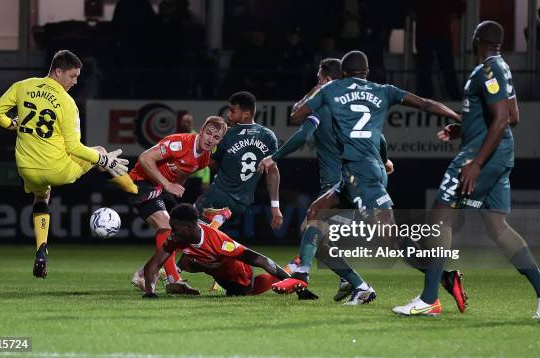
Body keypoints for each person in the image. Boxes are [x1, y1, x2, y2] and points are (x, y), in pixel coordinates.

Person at [393, 21, 540, 318]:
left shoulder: (488, 70)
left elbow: (502, 120)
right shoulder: (502, 67)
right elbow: (513, 116)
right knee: (496, 225)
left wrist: (476, 163)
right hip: (496, 153)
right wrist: (464, 128)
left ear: (477, 39)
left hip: (482, 156)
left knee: (439, 220)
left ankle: (430, 298)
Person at [284, 50, 467, 310]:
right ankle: (303, 273)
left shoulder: (332, 89)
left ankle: (442, 276)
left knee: (388, 235)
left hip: (361, 173)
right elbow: (425, 103)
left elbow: (296, 115)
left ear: (343, 73)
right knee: (316, 210)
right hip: (359, 172)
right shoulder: (384, 89)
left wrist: (318, 87)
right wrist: (458, 117)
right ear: (367, 72)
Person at [258, 58, 394, 304]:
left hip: (338, 184)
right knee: (318, 238)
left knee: (314, 233)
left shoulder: (324, 105)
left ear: (327, 79)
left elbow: (302, 132)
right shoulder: (348, 106)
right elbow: (379, 137)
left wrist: (275, 156)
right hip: (353, 181)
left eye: (319, 78)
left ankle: (308, 275)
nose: (316, 83)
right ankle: (352, 283)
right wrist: (385, 160)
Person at [0, 50, 133, 279]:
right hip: (57, 171)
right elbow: (75, 148)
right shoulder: (67, 103)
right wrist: (103, 160)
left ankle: (41, 249)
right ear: (58, 71)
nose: (75, 82)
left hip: (27, 170)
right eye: (72, 76)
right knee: (99, 151)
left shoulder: (22, 86)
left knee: (41, 197)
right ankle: (135, 190)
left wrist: (12, 125)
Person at [128, 116, 227, 294]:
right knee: (166, 226)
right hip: (141, 182)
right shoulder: (180, 143)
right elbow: (144, 158)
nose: (210, 139)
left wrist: (174, 188)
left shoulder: (204, 157)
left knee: (183, 232)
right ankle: (174, 280)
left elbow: (184, 173)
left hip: (162, 187)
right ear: (202, 130)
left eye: (216, 137)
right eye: (208, 133)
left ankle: (144, 274)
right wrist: (167, 184)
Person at [141, 204, 293, 298]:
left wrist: (291, 283)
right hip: (214, 268)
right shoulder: (179, 236)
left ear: (188, 227)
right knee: (189, 257)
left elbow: (262, 261)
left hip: (240, 278)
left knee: (245, 292)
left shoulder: (220, 241)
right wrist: (149, 293)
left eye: (175, 228)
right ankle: (178, 274)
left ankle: (291, 270)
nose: (172, 232)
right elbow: (155, 263)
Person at [196, 91, 282, 232]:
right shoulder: (268, 136)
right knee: (207, 240)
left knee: (190, 233)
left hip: (218, 197)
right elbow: (273, 172)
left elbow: (211, 163)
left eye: (232, 111)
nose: (228, 115)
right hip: (241, 205)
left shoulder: (228, 134)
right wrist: (275, 207)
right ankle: (217, 228)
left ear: (246, 114)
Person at [412, 0, 464, 100]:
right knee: (440, 68)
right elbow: (459, 8)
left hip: (429, 31)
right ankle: (453, 97)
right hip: (436, 31)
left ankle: (428, 97)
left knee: (429, 67)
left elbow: (459, 8)